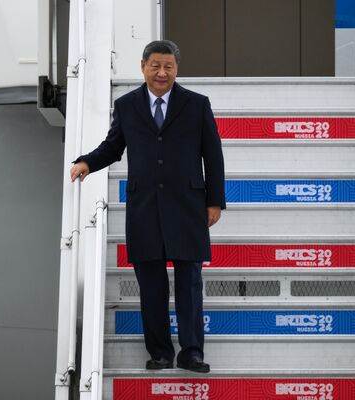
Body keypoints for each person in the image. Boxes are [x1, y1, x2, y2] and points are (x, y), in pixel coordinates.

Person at [70, 40, 225, 373]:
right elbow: (113, 148)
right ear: (142, 66)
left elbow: (213, 156)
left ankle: (192, 353)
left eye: (168, 66)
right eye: (155, 65)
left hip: (187, 206)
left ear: (176, 69)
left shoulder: (197, 105)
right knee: (151, 285)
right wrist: (86, 162)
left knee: (190, 283)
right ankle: (160, 352)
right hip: (144, 207)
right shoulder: (127, 106)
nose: (162, 72)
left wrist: (214, 201)